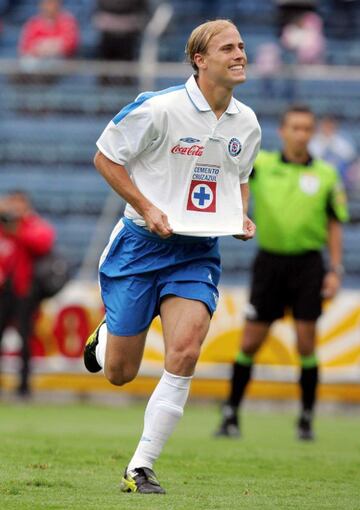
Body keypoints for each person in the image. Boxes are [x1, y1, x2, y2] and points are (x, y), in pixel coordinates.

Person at [83, 19, 261, 494]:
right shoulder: (159, 109)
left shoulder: (247, 121)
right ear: (200, 59)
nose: (240, 54)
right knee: (120, 374)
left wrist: (240, 217)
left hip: (196, 251)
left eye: (242, 46)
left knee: (185, 351)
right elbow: (105, 156)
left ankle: (140, 466)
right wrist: (146, 207)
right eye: (228, 48)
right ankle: (107, 336)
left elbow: (238, 176)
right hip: (140, 246)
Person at [215, 105, 349, 441]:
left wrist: (334, 269)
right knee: (250, 341)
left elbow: (335, 224)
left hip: (308, 266)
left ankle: (305, 419)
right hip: (269, 263)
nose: (301, 134)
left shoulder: (326, 175)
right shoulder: (262, 166)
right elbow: (233, 179)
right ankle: (230, 414)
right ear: (283, 132)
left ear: (312, 132)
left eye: (307, 128)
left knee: (306, 343)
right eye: (295, 127)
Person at [0, 191, 55, 396]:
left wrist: (18, 227)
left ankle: (23, 386)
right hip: (3, 290)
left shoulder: (33, 225)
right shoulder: (3, 228)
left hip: (25, 291)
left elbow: (42, 243)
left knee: (25, 337)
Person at [310, 115, 357, 189]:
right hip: (319, 177)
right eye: (326, 126)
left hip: (339, 178)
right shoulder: (314, 141)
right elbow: (312, 158)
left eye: (331, 126)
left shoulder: (340, 141)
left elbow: (351, 156)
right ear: (321, 127)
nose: (328, 129)